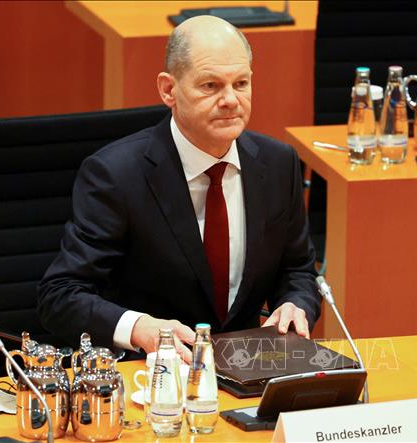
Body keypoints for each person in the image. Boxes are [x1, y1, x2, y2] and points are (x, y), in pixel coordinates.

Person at [37, 15, 320, 362]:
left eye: (241, 83)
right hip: (152, 371)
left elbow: (298, 270)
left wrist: (295, 303)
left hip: (248, 365)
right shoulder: (116, 175)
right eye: (211, 85)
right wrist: (139, 327)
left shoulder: (278, 163)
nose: (231, 100)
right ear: (168, 90)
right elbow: (60, 295)